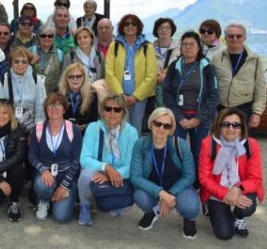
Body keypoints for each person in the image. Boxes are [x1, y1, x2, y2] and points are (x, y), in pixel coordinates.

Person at [130, 108, 200, 239]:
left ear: (171, 128)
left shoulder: (180, 144)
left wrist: (170, 194)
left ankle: (189, 219)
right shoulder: (141, 144)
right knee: (140, 196)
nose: (161, 128)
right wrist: (161, 193)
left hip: (178, 188)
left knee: (190, 206)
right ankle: (150, 212)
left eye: (166, 125)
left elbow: (189, 175)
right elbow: (135, 176)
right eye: (158, 123)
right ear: (151, 123)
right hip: (153, 188)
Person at [199, 107, 264, 240]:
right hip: (216, 190)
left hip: (240, 188)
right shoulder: (208, 144)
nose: (231, 129)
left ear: (242, 127)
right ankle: (210, 206)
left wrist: (236, 189)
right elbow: (204, 178)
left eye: (236, 125)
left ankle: (238, 217)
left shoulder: (251, 145)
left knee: (247, 208)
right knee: (225, 234)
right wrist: (225, 194)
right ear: (219, 125)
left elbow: (256, 179)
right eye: (226, 124)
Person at [163, 31, 219, 174]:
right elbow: (167, 94)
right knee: (176, 152)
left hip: (201, 118)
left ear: (199, 47)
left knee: (199, 154)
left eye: (192, 44)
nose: (188, 47)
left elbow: (214, 96)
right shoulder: (174, 66)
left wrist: (198, 118)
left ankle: (198, 182)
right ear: (180, 47)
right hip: (178, 118)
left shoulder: (207, 67)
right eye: (185, 44)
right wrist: (179, 118)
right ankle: (179, 180)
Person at [78, 94, 138, 225]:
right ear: (102, 111)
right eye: (108, 108)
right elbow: (84, 159)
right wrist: (106, 168)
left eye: (117, 109)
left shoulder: (131, 132)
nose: (112, 113)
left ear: (123, 113)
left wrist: (111, 176)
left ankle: (111, 203)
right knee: (86, 174)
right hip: (98, 170)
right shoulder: (93, 128)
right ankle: (85, 204)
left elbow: (131, 164)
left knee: (134, 194)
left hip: (119, 173)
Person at [29, 93, 82, 223]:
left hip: (66, 176)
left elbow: (76, 160)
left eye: (58, 105)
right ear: (46, 109)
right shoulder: (38, 129)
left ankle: (58, 196)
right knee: (42, 185)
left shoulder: (73, 129)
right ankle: (43, 200)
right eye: (50, 105)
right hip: (46, 176)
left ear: (64, 109)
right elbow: (32, 155)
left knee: (61, 217)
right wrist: (44, 170)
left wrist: (64, 185)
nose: (54, 108)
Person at [105, 14, 158, 136]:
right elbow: (109, 73)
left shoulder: (147, 47)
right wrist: (120, 95)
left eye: (133, 24)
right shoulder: (114, 45)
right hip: (119, 97)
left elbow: (151, 75)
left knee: (135, 130)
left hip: (139, 98)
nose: (130, 26)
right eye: (127, 24)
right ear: (122, 27)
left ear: (138, 27)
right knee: (119, 130)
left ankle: (134, 150)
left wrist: (135, 97)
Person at [211, 22, 266, 128]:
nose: (234, 39)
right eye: (231, 36)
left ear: (245, 37)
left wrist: (257, 113)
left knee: (241, 138)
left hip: (244, 109)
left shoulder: (255, 60)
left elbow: (260, 89)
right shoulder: (216, 58)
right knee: (219, 138)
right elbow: (210, 84)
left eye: (238, 36)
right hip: (219, 109)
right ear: (225, 38)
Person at [0, 47, 46, 133]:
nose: (20, 64)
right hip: (10, 126)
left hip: (32, 126)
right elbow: (0, 107)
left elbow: (40, 107)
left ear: (29, 63)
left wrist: (37, 131)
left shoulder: (37, 79)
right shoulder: (3, 80)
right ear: (11, 63)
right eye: (16, 61)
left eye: (24, 62)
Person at [58, 63, 99, 134]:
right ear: (66, 78)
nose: (75, 79)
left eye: (78, 76)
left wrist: (80, 128)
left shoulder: (92, 94)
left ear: (84, 77)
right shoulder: (58, 93)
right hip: (62, 132)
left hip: (85, 133)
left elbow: (93, 121)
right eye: (71, 76)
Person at [152, 18, 180, 108]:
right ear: (156, 31)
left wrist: (166, 77)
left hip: (174, 91)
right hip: (153, 92)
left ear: (172, 30)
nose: (164, 30)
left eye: (167, 28)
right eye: (160, 28)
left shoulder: (180, 48)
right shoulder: (149, 49)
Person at [30, 24, 64, 94]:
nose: (46, 38)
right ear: (38, 37)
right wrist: (31, 63)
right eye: (43, 35)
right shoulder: (30, 51)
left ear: (54, 37)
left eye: (50, 36)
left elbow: (63, 77)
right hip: (33, 93)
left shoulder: (60, 54)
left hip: (53, 95)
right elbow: (21, 72)